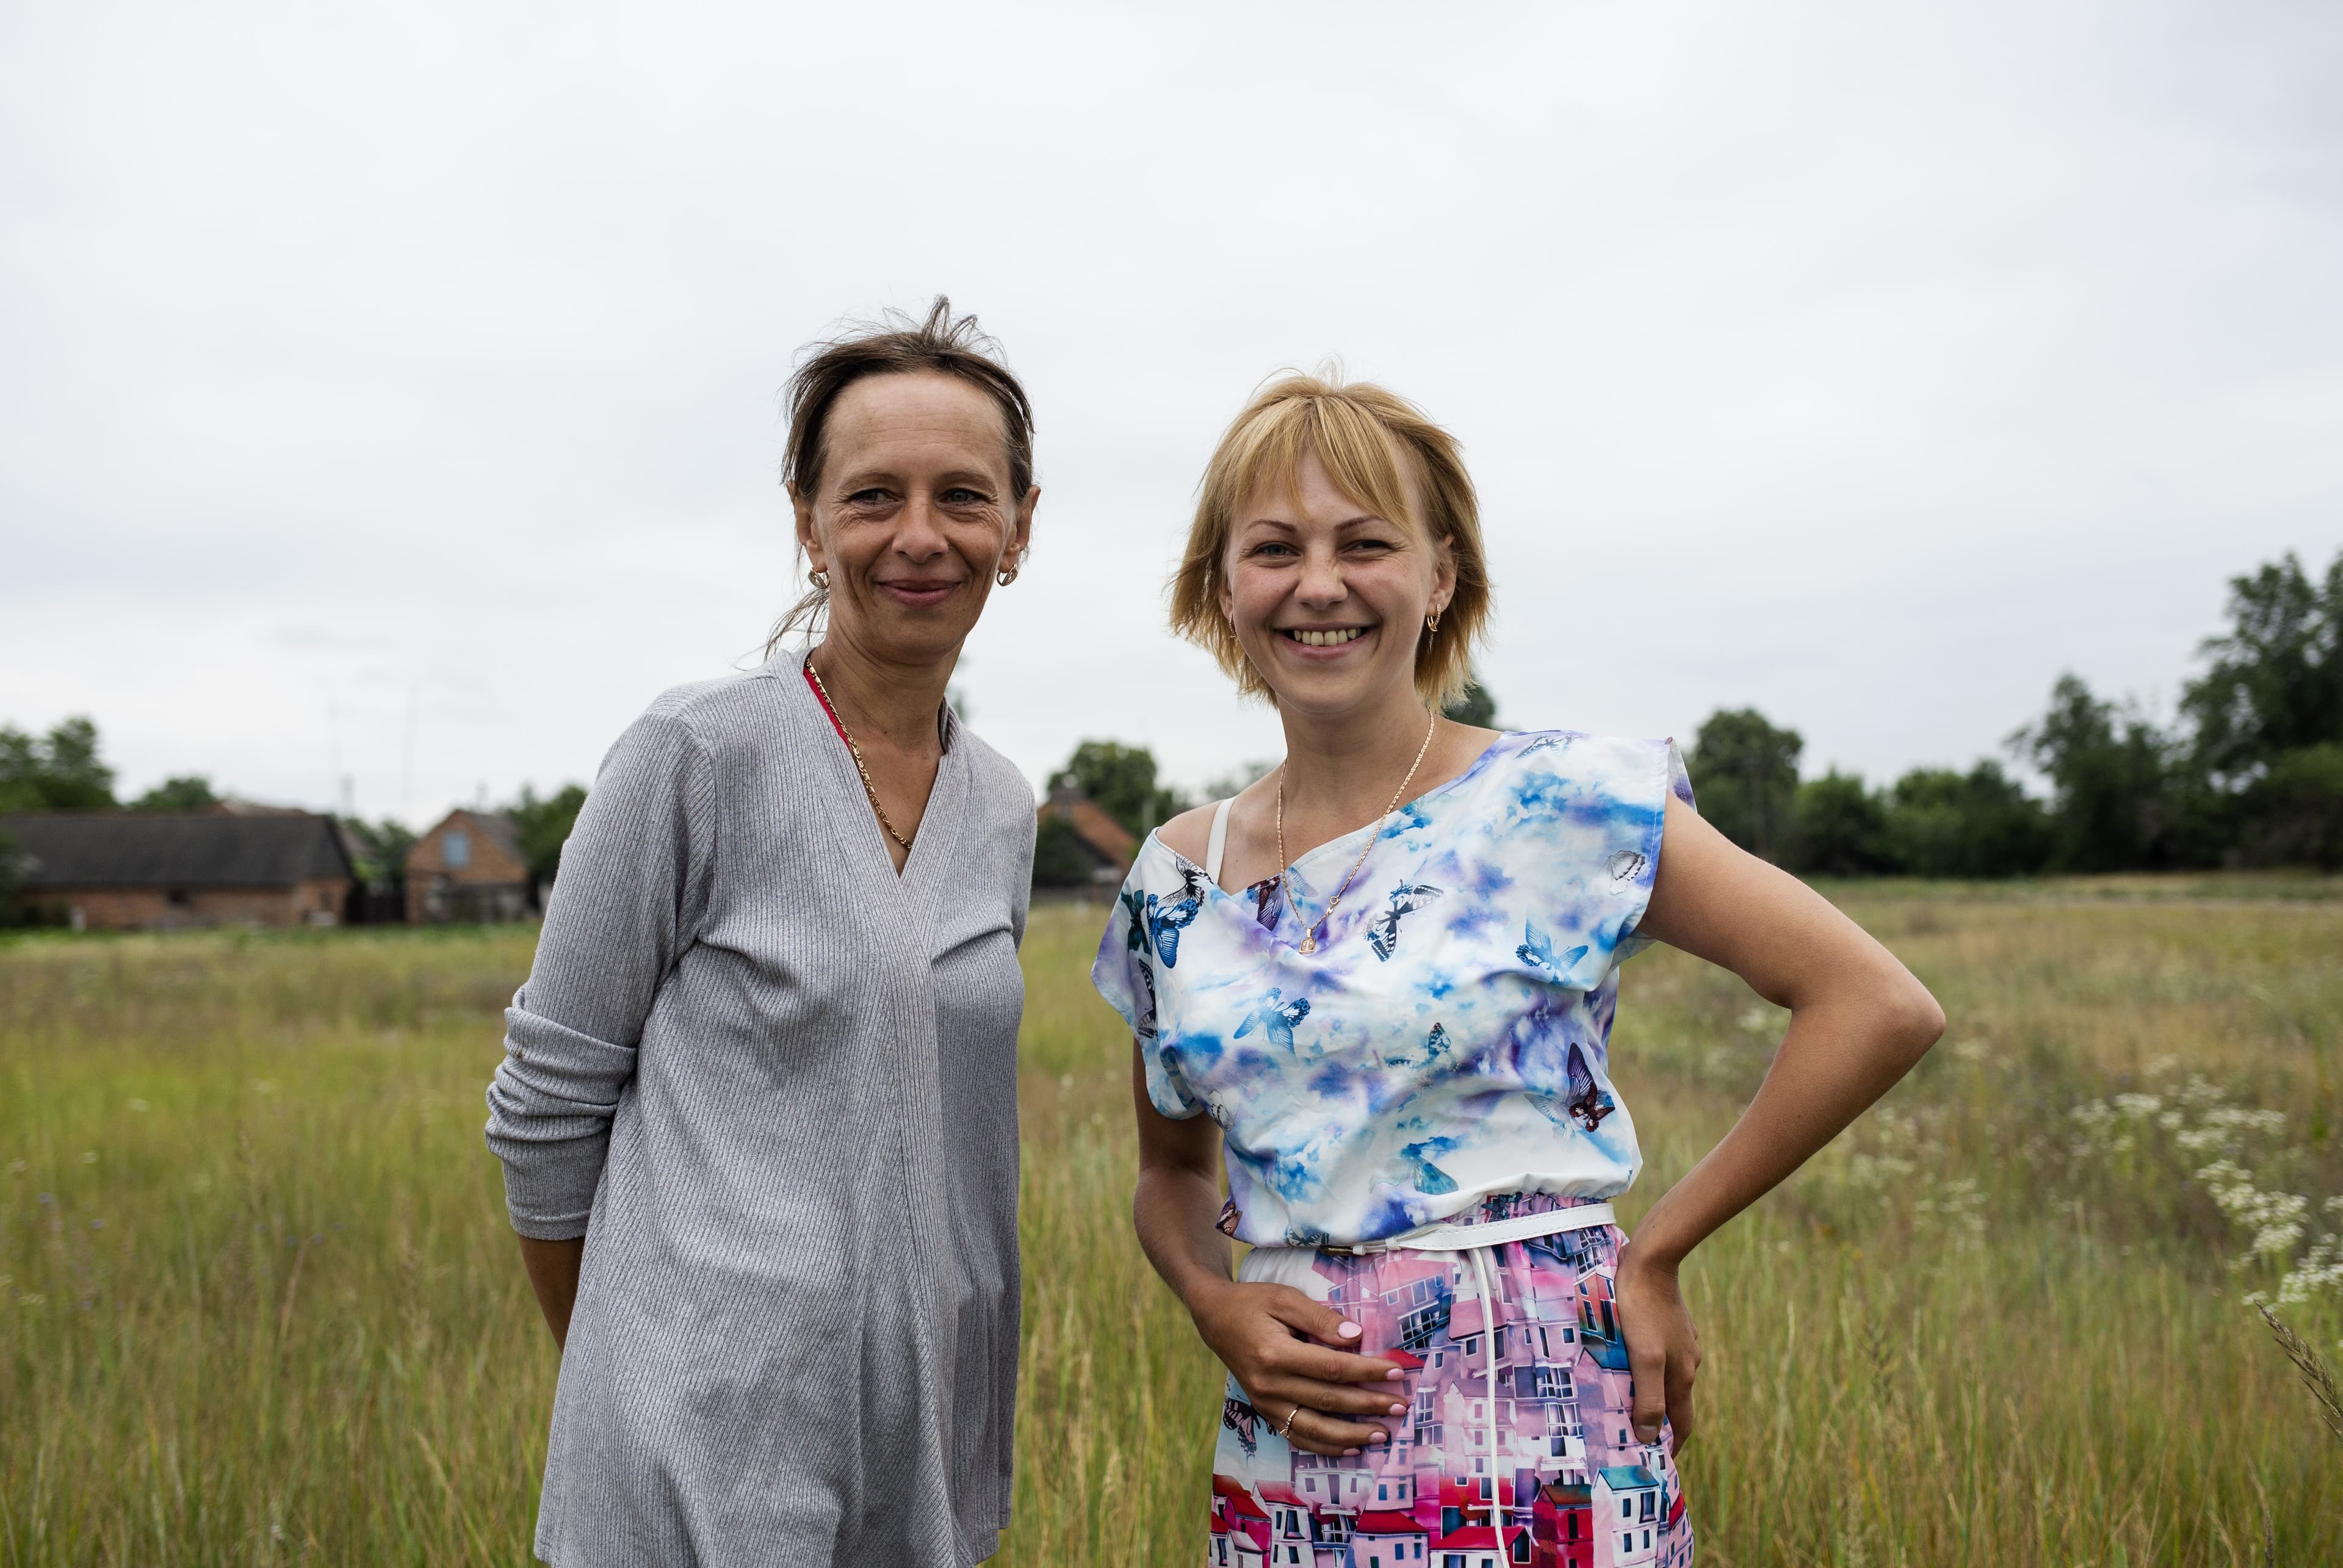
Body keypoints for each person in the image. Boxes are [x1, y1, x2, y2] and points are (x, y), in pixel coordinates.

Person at [1094, 374, 1944, 1565]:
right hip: (1299, 1443)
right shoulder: (1174, 885)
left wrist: (1658, 1251)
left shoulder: (1562, 801)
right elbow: (1169, 1171)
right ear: (1223, 587)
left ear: (1441, 575)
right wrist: (1212, 1298)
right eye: (1275, 548)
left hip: (1546, 1413)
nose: (1319, 583)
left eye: (1366, 543)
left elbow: (1876, 1003)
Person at [485, 298, 1039, 1567]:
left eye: (963, 496)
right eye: (870, 496)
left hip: (923, 1455)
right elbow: (548, 1099)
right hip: (701, 1462)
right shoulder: (697, 755)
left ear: (1018, 528)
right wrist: (644, 1372)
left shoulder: (1002, 806)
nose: (919, 536)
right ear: (807, 522)